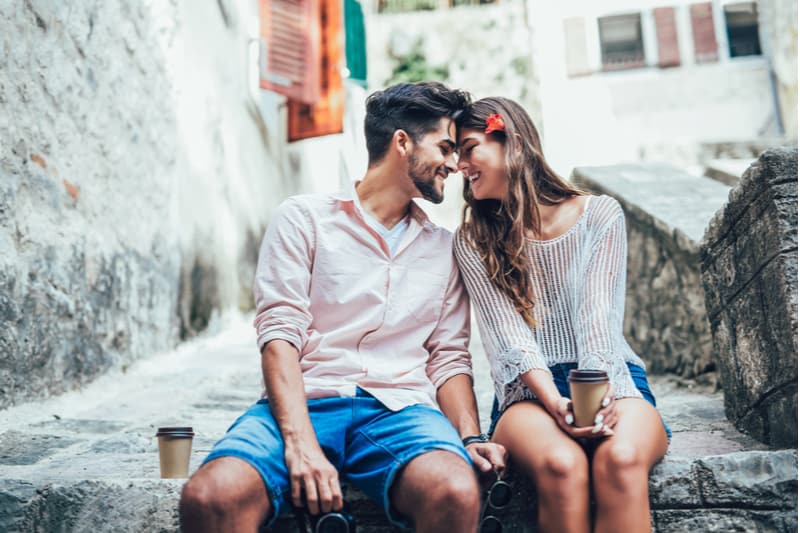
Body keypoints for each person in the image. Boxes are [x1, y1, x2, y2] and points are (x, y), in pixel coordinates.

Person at [179, 82, 506, 533]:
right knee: (210, 497)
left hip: (401, 411)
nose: (455, 164)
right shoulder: (303, 219)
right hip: (304, 401)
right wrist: (300, 444)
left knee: (454, 490)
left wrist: (470, 437)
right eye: (446, 147)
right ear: (402, 142)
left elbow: (448, 356)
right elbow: (279, 335)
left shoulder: (445, 249)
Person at [453, 97, 670, 533]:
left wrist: (592, 402)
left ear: (510, 142)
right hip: (527, 394)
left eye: (469, 148)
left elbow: (596, 318)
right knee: (561, 464)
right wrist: (555, 402)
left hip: (611, 378)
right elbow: (510, 337)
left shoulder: (599, 215)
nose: (460, 165)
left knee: (622, 460)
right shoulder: (472, 239)